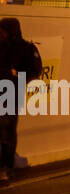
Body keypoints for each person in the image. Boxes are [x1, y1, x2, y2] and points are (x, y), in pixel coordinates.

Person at [0, 17, 43, 183]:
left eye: (2, 30)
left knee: (5, 132)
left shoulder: (24, 48)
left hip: (10, 93)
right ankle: (7, 166)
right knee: (6, 131)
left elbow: (35, 70)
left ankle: (6, 167)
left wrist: (17, 76)